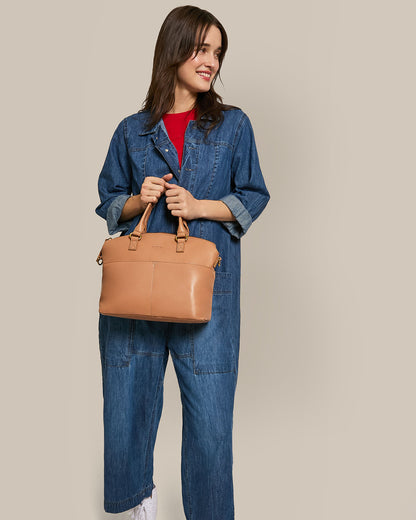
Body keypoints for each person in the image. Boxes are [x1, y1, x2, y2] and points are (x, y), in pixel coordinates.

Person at [95, 5, 270, 519]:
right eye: (200, 48)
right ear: (173, 49)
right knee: (126, 412)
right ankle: (137, 507)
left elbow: (254, 195)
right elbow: (109, 201)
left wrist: (197, 208)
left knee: (212, 429)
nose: (210, 60)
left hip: (207, 297)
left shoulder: (233, 125)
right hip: (136, 297)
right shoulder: (131, 131)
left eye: (217, 51)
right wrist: (136, 199)